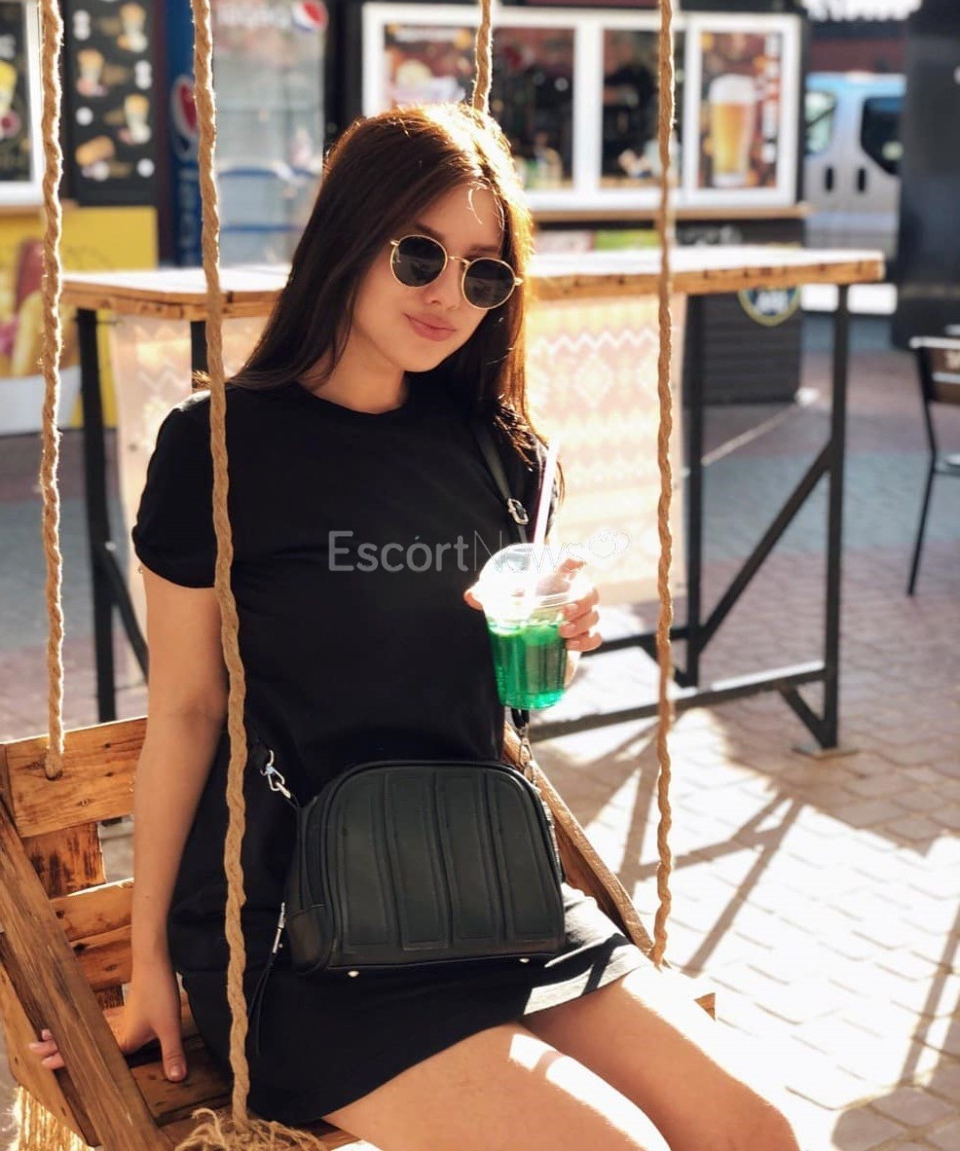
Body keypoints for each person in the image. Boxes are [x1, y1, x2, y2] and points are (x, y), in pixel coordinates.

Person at [28, 103, 799, 1151]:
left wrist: (555, 644)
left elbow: (507, 702)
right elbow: (188, 713)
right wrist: (150, 964)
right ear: (349, 238)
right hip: (301, 933)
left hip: (489, 893)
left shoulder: (504, 455)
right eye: (420, 255)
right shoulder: (217, 446)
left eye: (484, 274)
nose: (449, 295)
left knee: (758, 1131)